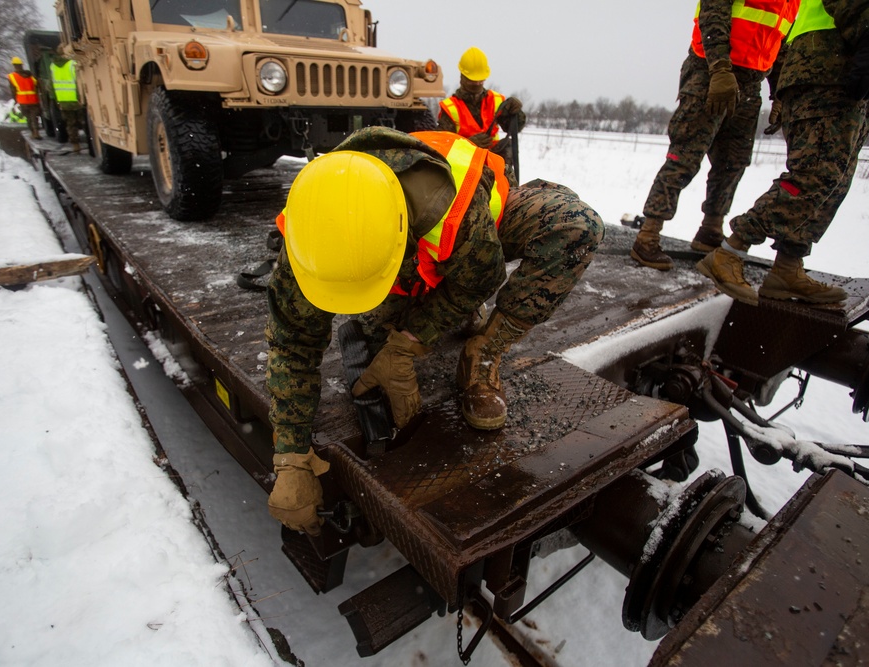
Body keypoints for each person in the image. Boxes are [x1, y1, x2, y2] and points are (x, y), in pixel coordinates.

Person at [265, 127, 604, 535]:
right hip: (432, 253)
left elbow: (482, 279)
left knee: (577, 225)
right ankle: (414, 309)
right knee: (376, 337)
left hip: (477, 231)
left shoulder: (447, 208)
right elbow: (292, 343)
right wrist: (290, 456)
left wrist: (408, 343)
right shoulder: (307, 230)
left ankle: (483, 350)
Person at [697, 0, 869, 306]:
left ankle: (787, 268)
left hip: (862, 55)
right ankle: (732, 250)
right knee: (816, 173)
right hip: (829, 55)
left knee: (836, 179)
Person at [631, 0, 801, 271]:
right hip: (709, 72)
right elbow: (713, 13)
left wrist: (778, 91)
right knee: (685, 156)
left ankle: (710, 228)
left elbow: (780, 43)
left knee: (733, 161)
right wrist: (720, 69)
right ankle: (648, 234)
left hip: (750, 81)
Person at [438, 46, 526, 180]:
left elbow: (514, 127)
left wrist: (516, 111)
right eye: (472, 80)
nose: (477, 84)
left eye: (480, 80)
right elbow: (442, 147)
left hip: (494, 166)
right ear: (462, 77)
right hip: (464, 169)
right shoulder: (451, 108)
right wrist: (468, 144)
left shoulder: (496, 100)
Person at [50, 54, 84, 151]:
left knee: (70, 123)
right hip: (77, 100)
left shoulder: (53, 67)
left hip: (63, 101)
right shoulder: (73, 64)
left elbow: (52, 86)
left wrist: (57, 100)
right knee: (84, 122)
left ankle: (76, 145)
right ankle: (91, 145)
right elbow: (79, 81)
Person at [8, 56, 40, 140]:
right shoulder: (30, 75)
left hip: (23, 101)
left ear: (14, 65)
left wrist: (15, 100)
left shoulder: (12, 76)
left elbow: (13, 90)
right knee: (34, 116)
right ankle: (37, 131)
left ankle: (33, 132)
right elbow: (37, 86)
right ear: (21, 65)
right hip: (33, 100)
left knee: (28, 117)